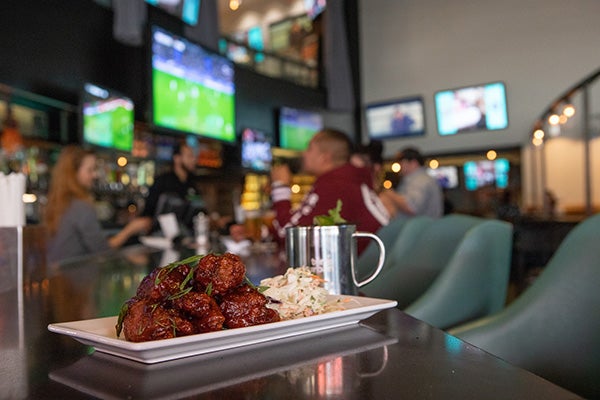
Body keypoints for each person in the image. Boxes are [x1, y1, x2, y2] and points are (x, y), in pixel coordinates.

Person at [270, 128, 390, 254]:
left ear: (324, 158)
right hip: (369, 263)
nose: (304, 154)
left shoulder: (335, 186)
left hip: (357, 269)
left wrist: (280, 186)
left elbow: (291, 237)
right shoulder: (346, 180)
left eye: (309, 148)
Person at [44, 146, 146, 264]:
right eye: (90, 170)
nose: (95, 175)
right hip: (76, 279)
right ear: (73, 172)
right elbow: (102, 250)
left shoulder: (57, 202)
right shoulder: (81, 206)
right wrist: (130, 229)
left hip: (58, 277)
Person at [134, 141, 201, 235]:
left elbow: (198, 212)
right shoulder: (162, 181)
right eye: (190, 156)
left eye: (194, 157)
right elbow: (148, 212)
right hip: (158, 235)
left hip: (185, 236)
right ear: (177, 158)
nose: (194, 160)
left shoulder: (192, 184)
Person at [379, 147, 443, 219]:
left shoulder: (420, 180)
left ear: (413, 163)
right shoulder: (417, 179)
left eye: (401, 162)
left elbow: (412, 207)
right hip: (421, 227)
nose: (399, 165)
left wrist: (389, 193)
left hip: (421, 229)